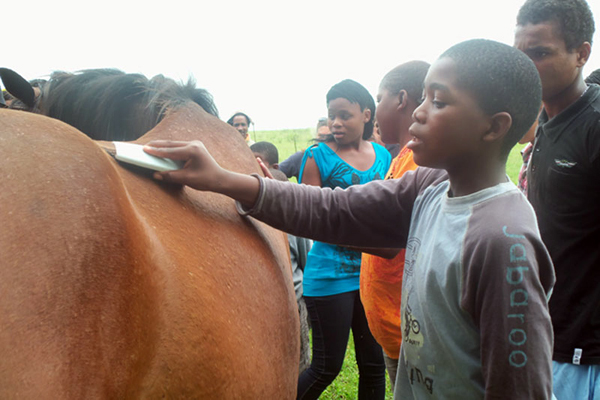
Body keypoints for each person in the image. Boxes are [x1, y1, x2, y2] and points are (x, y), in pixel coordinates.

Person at [144, 39, 554, 399]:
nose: (418, 112)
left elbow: (521, 388)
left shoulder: (502, 241)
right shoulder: (429, 186)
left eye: (439, 101)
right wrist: (224, 179)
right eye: (424, 97)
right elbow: (336, 209)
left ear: (493, 127)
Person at [515, 1, 600, 398]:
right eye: (520, 53)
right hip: (547, 330)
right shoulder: (546, 123)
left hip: (586, 352)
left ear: (582, 53)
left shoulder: (594, 126)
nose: (526, 66)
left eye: (541, 54)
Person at [293, 79, 390, 399]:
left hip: (370, 275)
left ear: (365, 115)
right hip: (329, 274)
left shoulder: (382, 156)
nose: (335, 122)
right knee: (326, 366)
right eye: (331, 115)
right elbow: (309, 218)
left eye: (344, 115)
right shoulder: (316, 156)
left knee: (373, 364)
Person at [359, 60, 429, 389]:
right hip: (395, 329)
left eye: (378, 98)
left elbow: (391, 240)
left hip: (411, 336)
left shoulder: (417, 161)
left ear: (401, 99)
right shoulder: (402, 156)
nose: (374, 110)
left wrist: (327, 225)